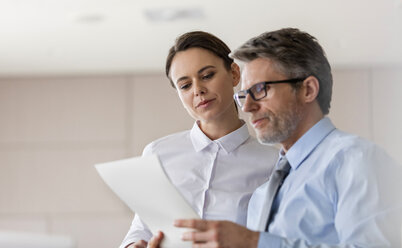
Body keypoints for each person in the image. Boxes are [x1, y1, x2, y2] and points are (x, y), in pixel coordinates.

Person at [149, 28, 402, 247]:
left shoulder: (356, 161)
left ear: (308, 89)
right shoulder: (265, 191)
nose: (247, 107)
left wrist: (253, 243)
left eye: (260, 90)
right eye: (245, 94)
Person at [119, 31, 278, 248]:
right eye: (185, 85)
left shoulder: (274, 163)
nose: (198, 90)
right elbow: (141, 229)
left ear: (233, 73)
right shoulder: (157, 153)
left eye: (207, 76)